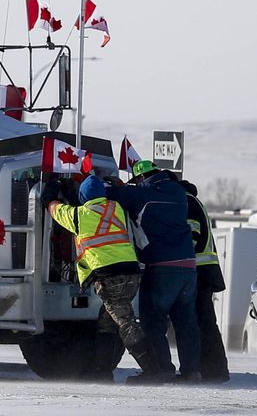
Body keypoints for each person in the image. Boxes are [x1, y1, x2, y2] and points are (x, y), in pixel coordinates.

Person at [42, 173, 160, 382]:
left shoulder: (79, 216)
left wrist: (52, 188)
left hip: (109, 277)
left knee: (126, 323)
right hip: (131, 273)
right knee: (106, 323)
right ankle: (101, 371)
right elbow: (93, 205)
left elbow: (52, 207)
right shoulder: (116, 209)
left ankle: (153, 371)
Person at [105, 159, 201, 382]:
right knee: (186, 323)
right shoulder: (177, 192)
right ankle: (192, 372)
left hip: (162, 267)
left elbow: (107, 194)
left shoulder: (141, 195)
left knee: (153, 321)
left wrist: (116, 186)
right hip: (188, 268)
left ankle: (161, 370)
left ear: (141, 178)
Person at [181, 179, 230, 382]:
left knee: (203, 321)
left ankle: (214, 370)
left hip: (198, 271)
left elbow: (192, 235)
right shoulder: (193, 200)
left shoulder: (187, 202)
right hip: (203, 270)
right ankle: (214, 369)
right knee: (205, 321)